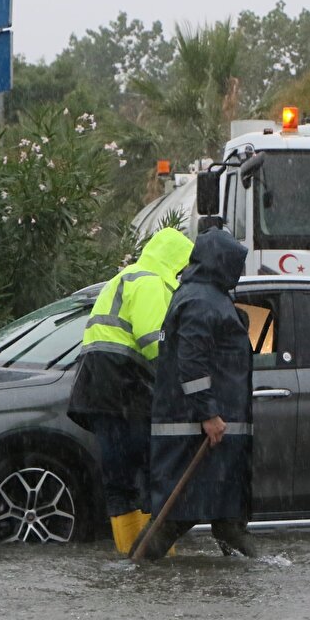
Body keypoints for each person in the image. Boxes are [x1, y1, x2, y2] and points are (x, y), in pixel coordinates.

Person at [131, 227, 257, 561]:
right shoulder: (203, 301)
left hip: (204, 430)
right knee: (177, 516)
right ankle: (138, 570)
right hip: (196, 432)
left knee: (221, 518)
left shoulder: (202, 296)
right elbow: (192, 363)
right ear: (222, 263)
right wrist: (209, 414)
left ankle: (250, 572)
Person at [67, 227, 194, 554]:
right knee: (151, 478)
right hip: (127, 388)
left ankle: (131, 556)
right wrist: (185, 382)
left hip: (99, 389)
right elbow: (154, 343)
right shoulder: (152, 282)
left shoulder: (126, 277)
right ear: (176, 263)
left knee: (119, 483)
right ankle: (156, 557)